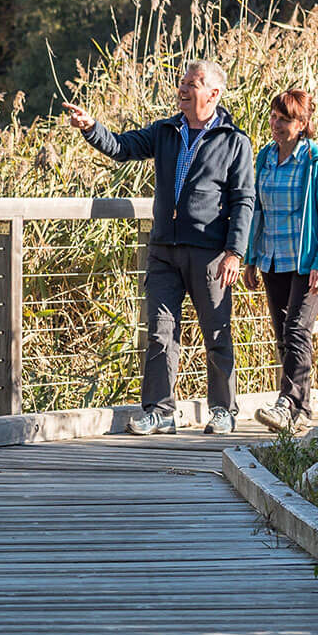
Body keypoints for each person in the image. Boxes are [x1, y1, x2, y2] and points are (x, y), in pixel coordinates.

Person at [63, 60, 255, 435]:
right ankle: (160, 411)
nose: (182, 90)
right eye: (182, 83)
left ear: (213, 93)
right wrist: (91, 127)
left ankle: (223, 410)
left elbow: (244, 200)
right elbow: (122, 146)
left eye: (192, 84)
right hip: (164, 248)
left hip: (210, 252)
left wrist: (235, 252)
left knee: (216, 333)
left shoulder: (234, 141)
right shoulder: (166, 131)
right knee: (159, 333)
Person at [240, 89, 318, 436]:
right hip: (273, 256)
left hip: (307, 261)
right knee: (285, 335)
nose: (276, 124)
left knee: (298, 329)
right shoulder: (266, 156)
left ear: (303, 123)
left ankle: (287, 404)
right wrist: (251, 258)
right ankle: (302, 410)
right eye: (274, 116)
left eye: (285, 119)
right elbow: (257, 209)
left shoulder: (316, 162)